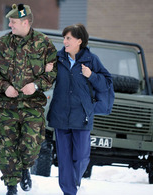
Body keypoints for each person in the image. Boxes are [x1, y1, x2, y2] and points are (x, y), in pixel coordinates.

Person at [0, 3, 57, 195]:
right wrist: (5, 87)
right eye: (9, 21)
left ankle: (25, 168)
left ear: (26, 22)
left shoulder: (44, 44)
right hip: (6, 106)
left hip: (32, 106)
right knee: (7, 147)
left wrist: (34, 85)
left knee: (31, 147)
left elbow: (53, 73)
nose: (10, 25)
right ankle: (11, 185)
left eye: (13, 21)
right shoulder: (0, 45)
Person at [47, 24, 113, 195]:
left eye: (68, 38)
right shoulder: (57, 59)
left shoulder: (92, 60)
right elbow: (45, 80)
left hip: (82, 116)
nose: (64, 41)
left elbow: (106, 83)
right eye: (64, 38)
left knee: (81, 158)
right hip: (60, 116)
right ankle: (69, 191)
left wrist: (91, 75)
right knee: (64, 160)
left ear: (79, 41)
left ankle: (74, 180)